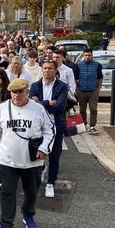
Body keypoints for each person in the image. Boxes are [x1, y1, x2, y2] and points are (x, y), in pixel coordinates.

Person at [0, 78, 54, 228]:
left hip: (32, 161)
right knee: (7, 193)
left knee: (31, 192)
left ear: (27, 92)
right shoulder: (2, 108)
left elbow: (50, 130)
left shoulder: (38, 109)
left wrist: (44, 148)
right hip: (7, 160)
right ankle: (5, 226)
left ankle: (28, 213)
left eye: (20, 92)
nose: (16, 95)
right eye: (13, 92)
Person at [29, 60, 68, 199]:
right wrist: (48, 102)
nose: (47, 71)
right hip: (38, 127)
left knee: (54, 156)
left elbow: (61, 107)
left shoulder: (62, 86)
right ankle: (38, 174)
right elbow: (32, 105)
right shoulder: (35, 85)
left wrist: (40, 103)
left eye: (50, 68)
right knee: (36, 153)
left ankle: (51, 183)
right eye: (44, 68)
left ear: (55, 70)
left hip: (56, 125)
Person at [74, 49, 103, 135]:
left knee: (93, 109)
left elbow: (100, 77)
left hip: (93, 91)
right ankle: (84, 124)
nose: (87, 57)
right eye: (86, 55)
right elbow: (75, 78)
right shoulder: (78, 65)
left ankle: (92, 126)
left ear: (92, 55)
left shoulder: (97, 65)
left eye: (89, 55)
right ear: (83, 56)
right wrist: (77, 88)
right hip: (81, 91)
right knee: (82, 110)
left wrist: (98, 88)